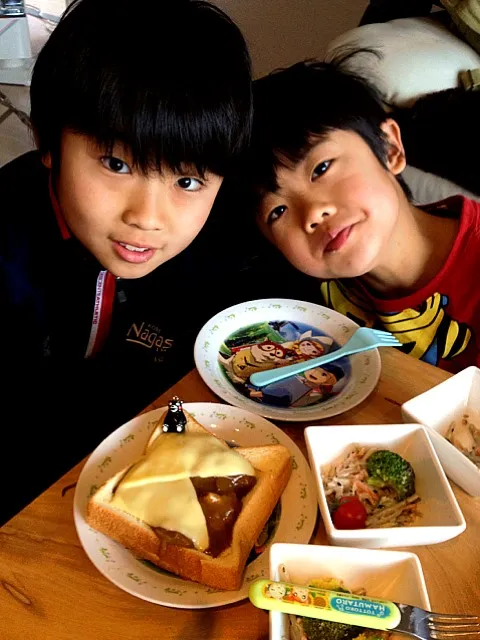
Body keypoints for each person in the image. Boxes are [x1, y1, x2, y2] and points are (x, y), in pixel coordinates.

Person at [0, 0, 256, 523]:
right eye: (117, 164)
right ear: (48, 141)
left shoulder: (227, 241)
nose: (148, 217)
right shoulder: (7, 238)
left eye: (187, 181)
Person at [247, 58, 480, 375]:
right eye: (278, 211)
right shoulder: (296, 304)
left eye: (322, 168)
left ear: (390, 148)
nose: (313, 213)